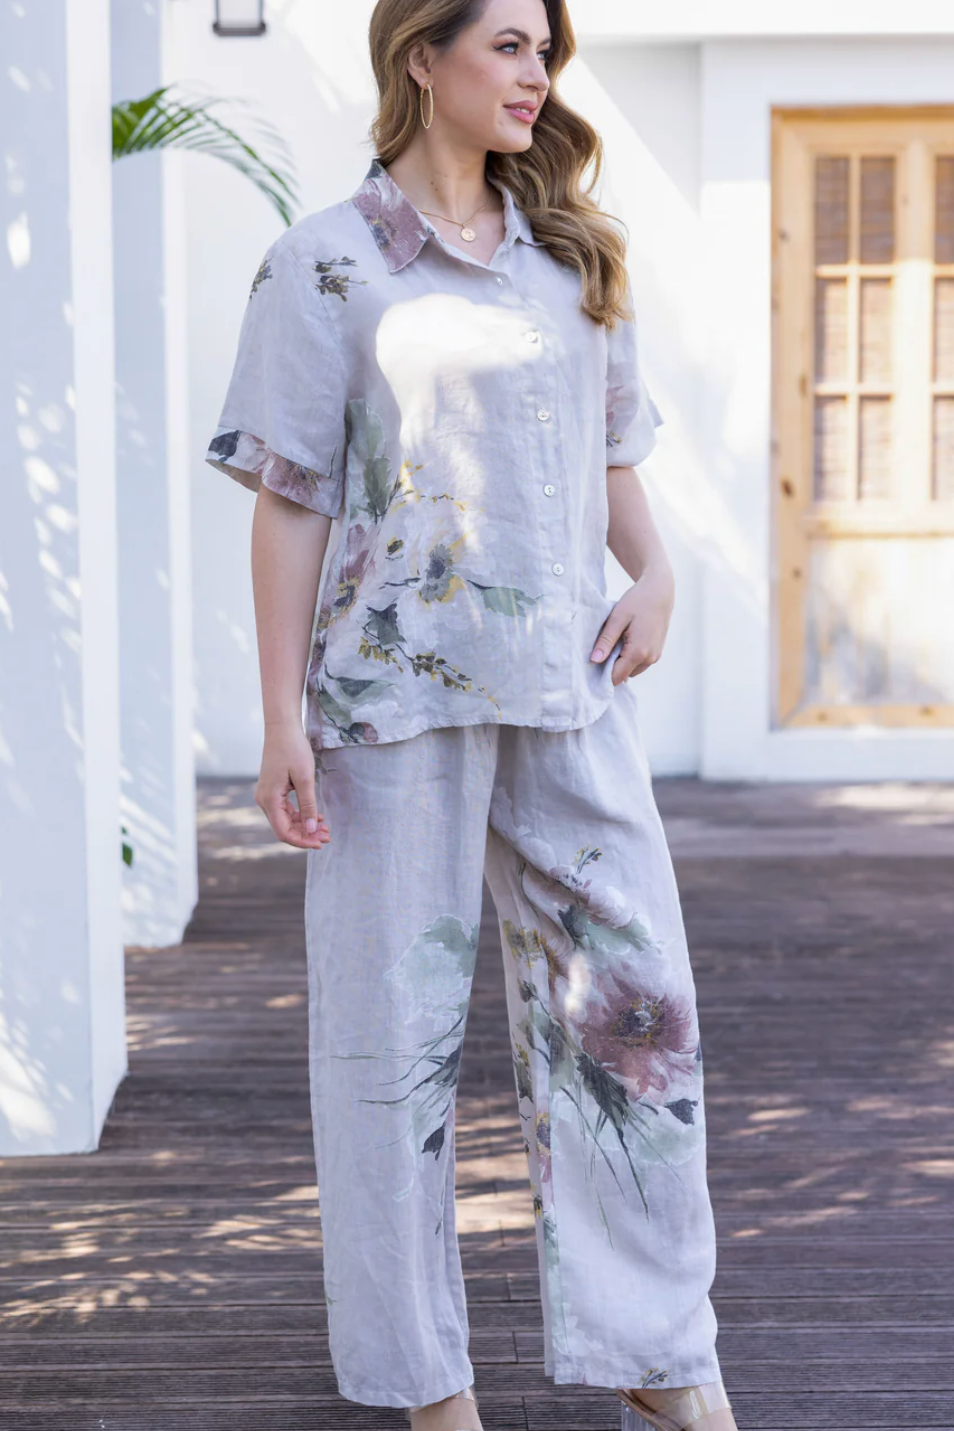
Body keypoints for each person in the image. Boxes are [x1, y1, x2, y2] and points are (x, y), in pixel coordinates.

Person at [205, 2, 739, 1429]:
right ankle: (424, 1387)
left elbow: (614, 445)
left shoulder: (566, 255)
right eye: (504, 44)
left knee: (636, 1025)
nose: (534, 73)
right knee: (390, 1051)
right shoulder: (325, 264)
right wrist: (278, 719)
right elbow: (288, 500)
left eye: (543, 50)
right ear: (418, 58)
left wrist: (663, 571)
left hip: (567, 698)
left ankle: (658, 1358)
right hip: (389, 712)